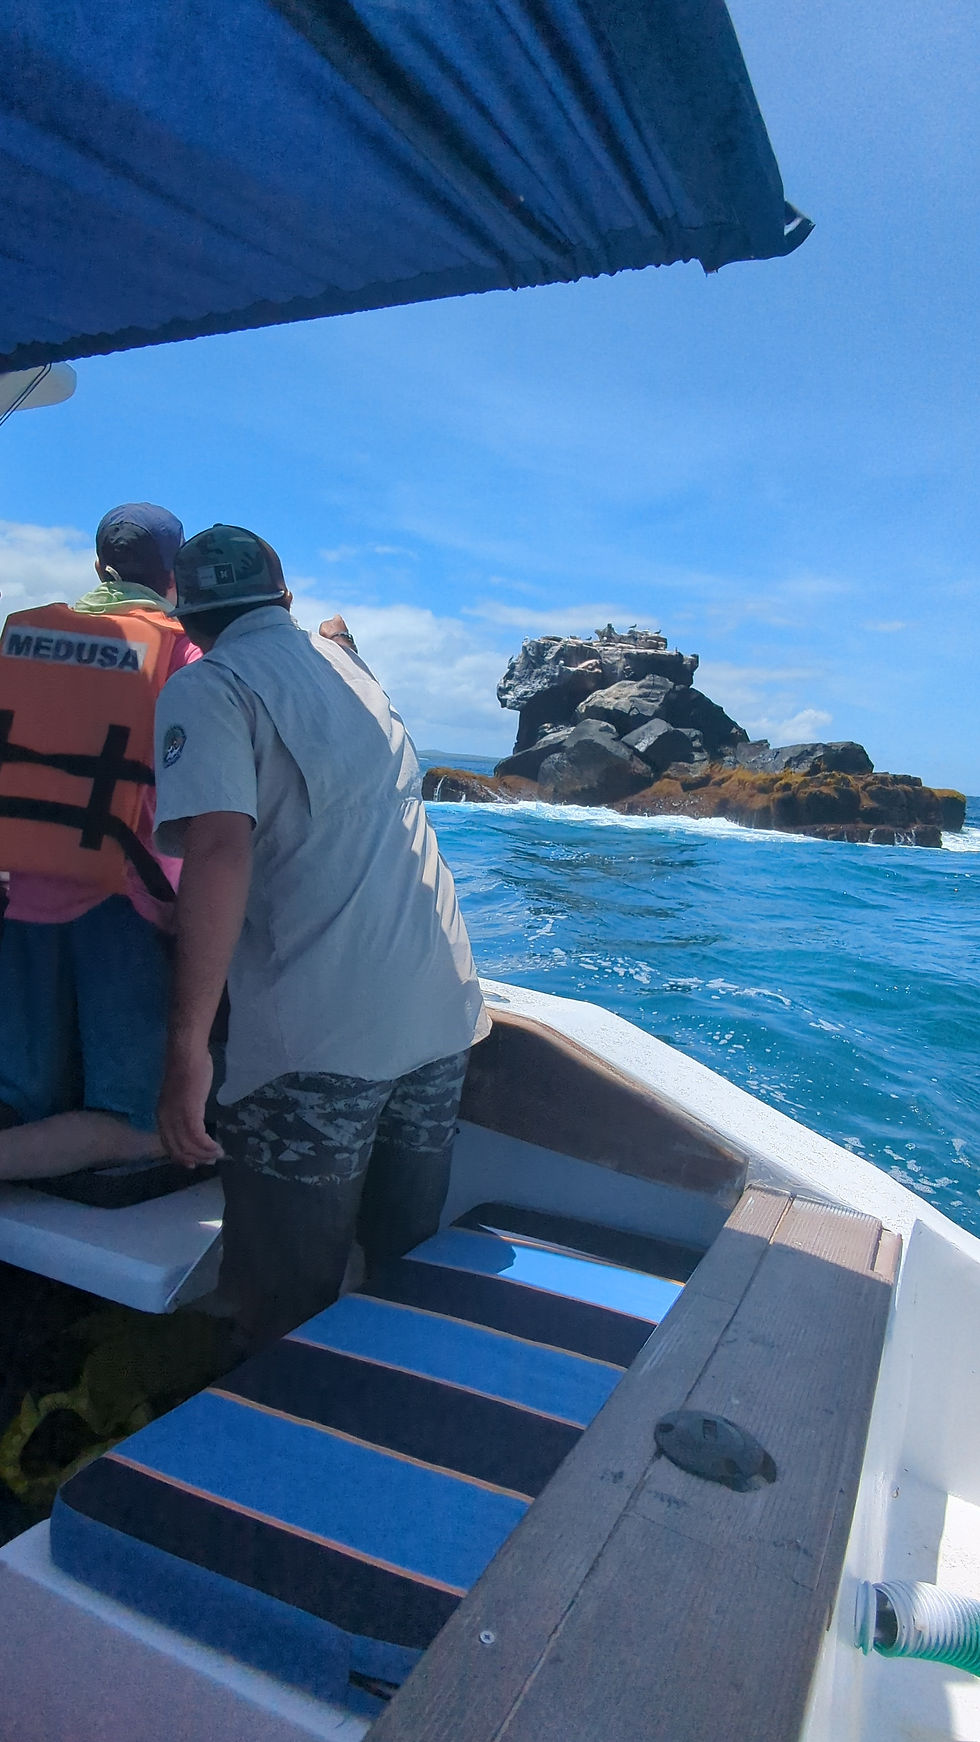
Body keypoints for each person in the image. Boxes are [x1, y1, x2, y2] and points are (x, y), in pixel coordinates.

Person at [153, 524, 490, 1348]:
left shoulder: (209, 687)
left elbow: (220, 850)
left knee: (280, 1300)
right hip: (441, 1016)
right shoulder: (350, 668)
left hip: (318, 1047)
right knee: (404, 1266)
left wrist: (188, 1046)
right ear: (285, 599)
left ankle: (279, 1447)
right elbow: (333, 639)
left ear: (184, 618)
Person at [0, 503, 199, 1180]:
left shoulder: (23, 638)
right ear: (174, 576)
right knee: (138, 1121)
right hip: (120, 904)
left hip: (18, 897)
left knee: (19, 1095)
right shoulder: (182, 652)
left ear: (97, 567)